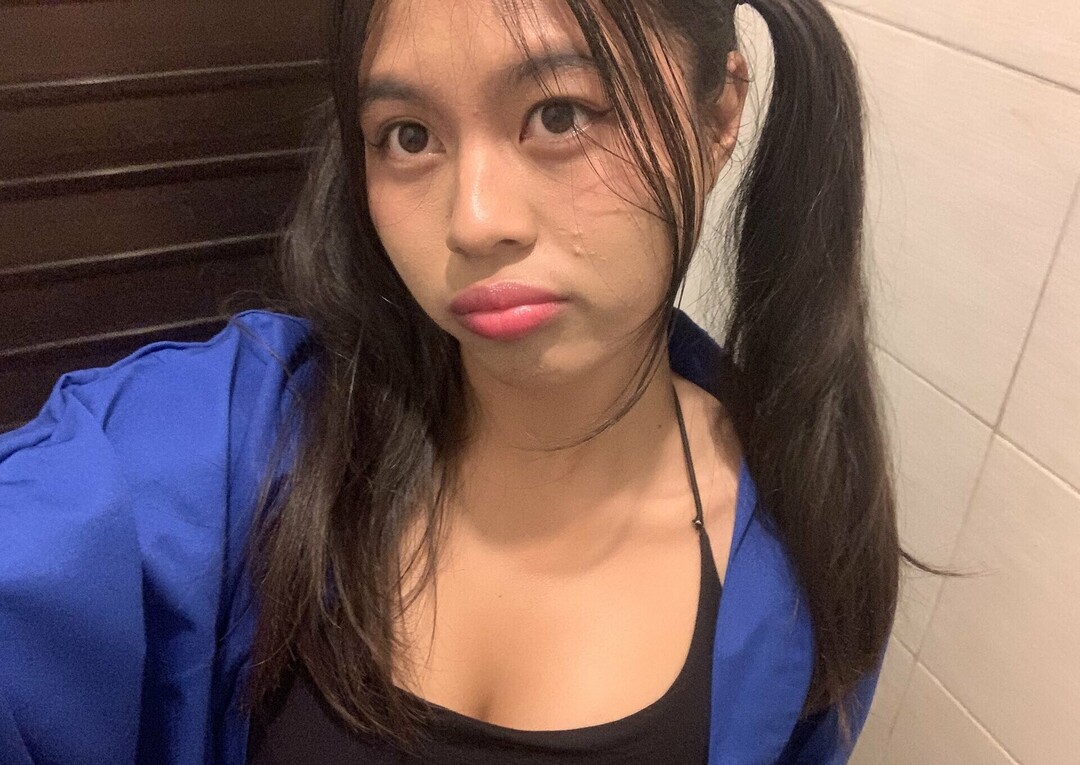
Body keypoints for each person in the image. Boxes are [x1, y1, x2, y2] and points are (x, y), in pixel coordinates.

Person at [0, 0, 901, 762]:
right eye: (410, 136)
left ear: (719, 114)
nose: (474, 221)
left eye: (560, 114)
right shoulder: (249, 431)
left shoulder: (803, 539)